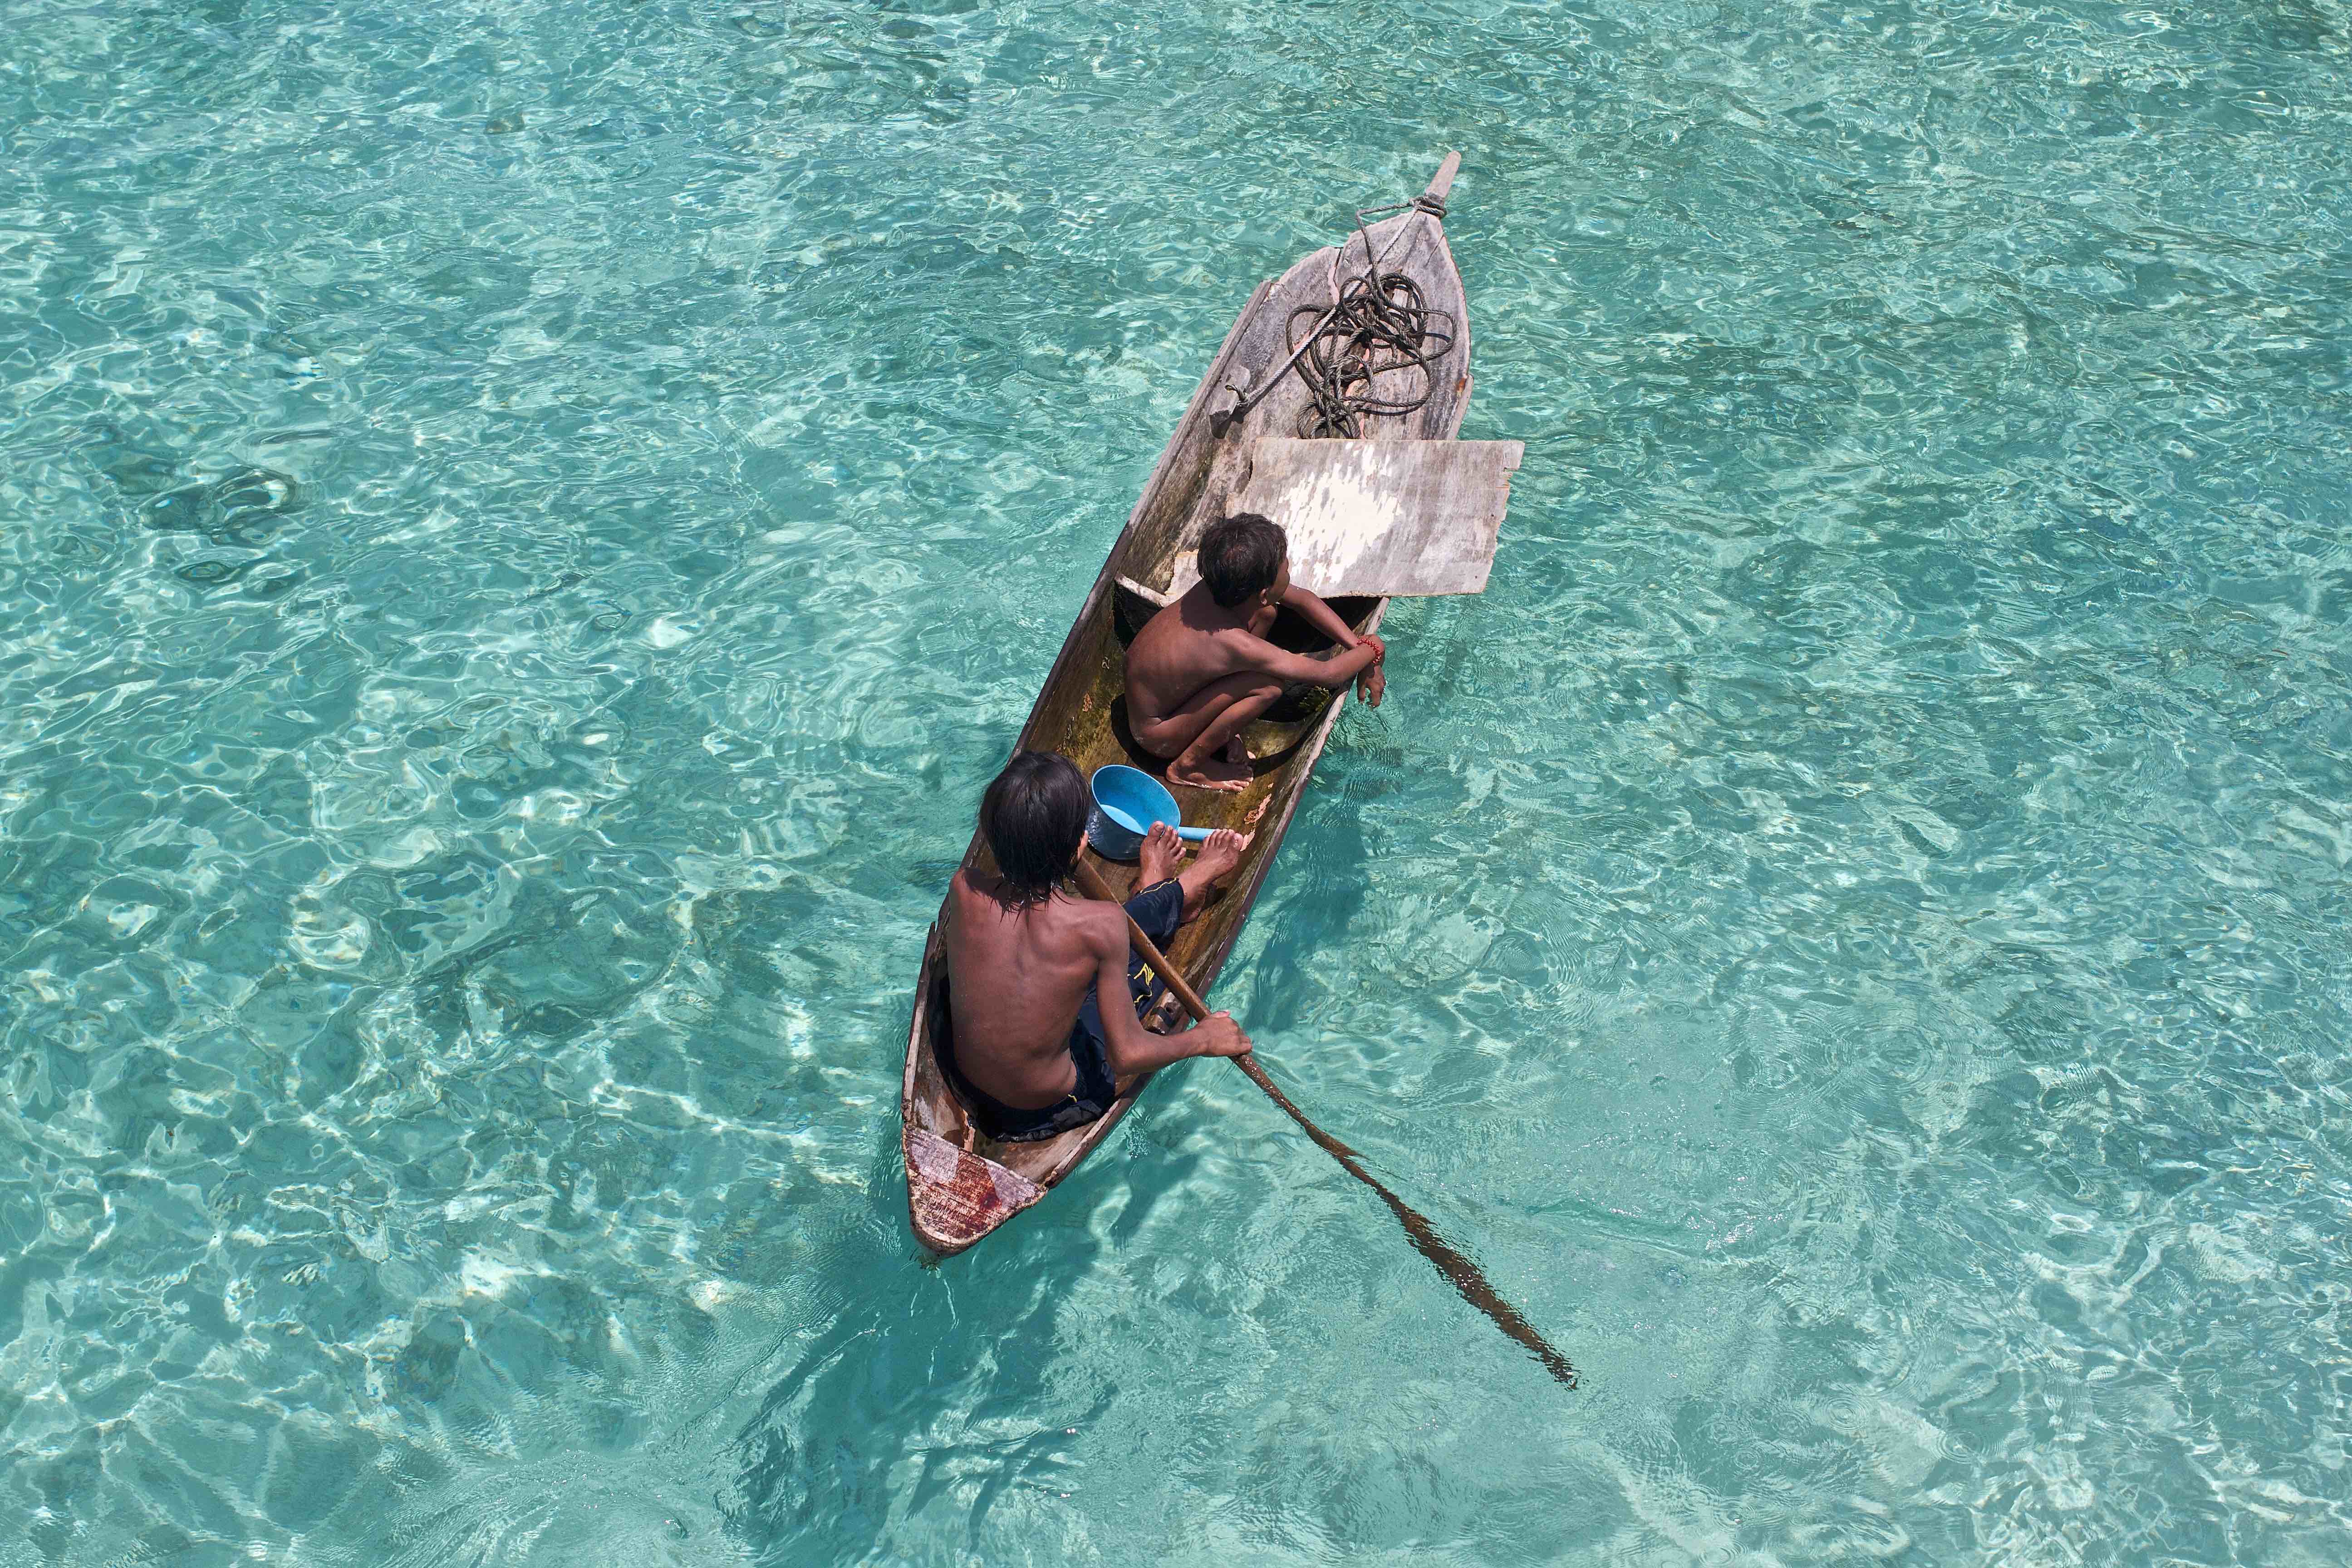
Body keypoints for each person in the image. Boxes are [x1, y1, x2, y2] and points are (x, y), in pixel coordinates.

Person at [942, 751, 1253, 1142]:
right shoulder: (1100, 924)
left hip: (966, 1081)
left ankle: (1164, 889)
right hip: (1050, 1106)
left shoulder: (963, 886)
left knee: (1093, 940)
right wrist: (1204, 1039)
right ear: (1080, 844)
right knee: (1122, 946)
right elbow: (1127, 1055)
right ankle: (1175, 890)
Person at [1124, 512, 1386, 791]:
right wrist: (1374, 647)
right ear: (1263, 590)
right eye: (1285, 568)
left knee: (1266, 614)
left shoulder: (1222, 586)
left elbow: (1303, 599)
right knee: (1269, 687)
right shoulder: (1233, 644)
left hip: (1161, 704)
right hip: (1157, 734)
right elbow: (1327, 674)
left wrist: (1356, 648)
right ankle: (1188, 767)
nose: (1289, 569)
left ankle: (1225, 729)